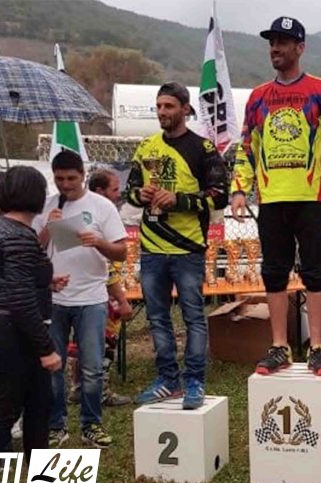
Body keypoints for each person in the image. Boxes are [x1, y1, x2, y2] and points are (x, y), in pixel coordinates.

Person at [230, 16, 321, 376]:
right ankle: (279, 346)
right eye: (272, 42)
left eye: (283, 42)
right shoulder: (258, 96)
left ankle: (316, 347)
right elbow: (247, 146)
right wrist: (239, 188)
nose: (275, 48)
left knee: (315, 272)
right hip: (271, 198)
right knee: (274, 273)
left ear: (300, 48)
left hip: (312, 196)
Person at [0, 166, 73, 483]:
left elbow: (11, 279)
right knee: (2, 412)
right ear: (35, 196)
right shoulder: (17, 235)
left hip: (6, 324)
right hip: (11, 330)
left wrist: (46, 281)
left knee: (39, 407)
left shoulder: (4, 228)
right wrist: (46, 348)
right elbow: (19, 298)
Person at [126, 82, 229, 409]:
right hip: (152, 247)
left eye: (169, 106)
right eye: (158, 106)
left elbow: (220, 195)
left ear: (185, 109)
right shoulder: (146, 147)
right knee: (157, 318)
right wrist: (140, 195)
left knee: (193, 317)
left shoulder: (203, 148)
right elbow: (130, 190)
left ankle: (194, 381)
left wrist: (180, 200)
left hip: (188, 248)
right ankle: (167, 379)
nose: (162, 112)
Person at [33, 151, 127, 448]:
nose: (65, 185)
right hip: (55, 298)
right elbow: (32, 250)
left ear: (83, 176)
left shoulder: (102, 206)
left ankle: (91, 425)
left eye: (71, 178)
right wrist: (47, 228)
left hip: (91, 297)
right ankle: (55, 425)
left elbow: (122, 252)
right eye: (59, 179)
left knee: (92, 367)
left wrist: (99, 242)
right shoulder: (47, 206)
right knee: (53, 366)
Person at [66, 169, 133, 408]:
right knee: (103, 342)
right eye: (114, 189)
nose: (118, 194)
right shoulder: (98, 217)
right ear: (99, 191)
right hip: (99, 293)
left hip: (79, 291)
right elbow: (107, 267)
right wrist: (121, 299)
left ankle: (77, 388)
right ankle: (100, 390)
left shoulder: (78, 213)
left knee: (83, 342)